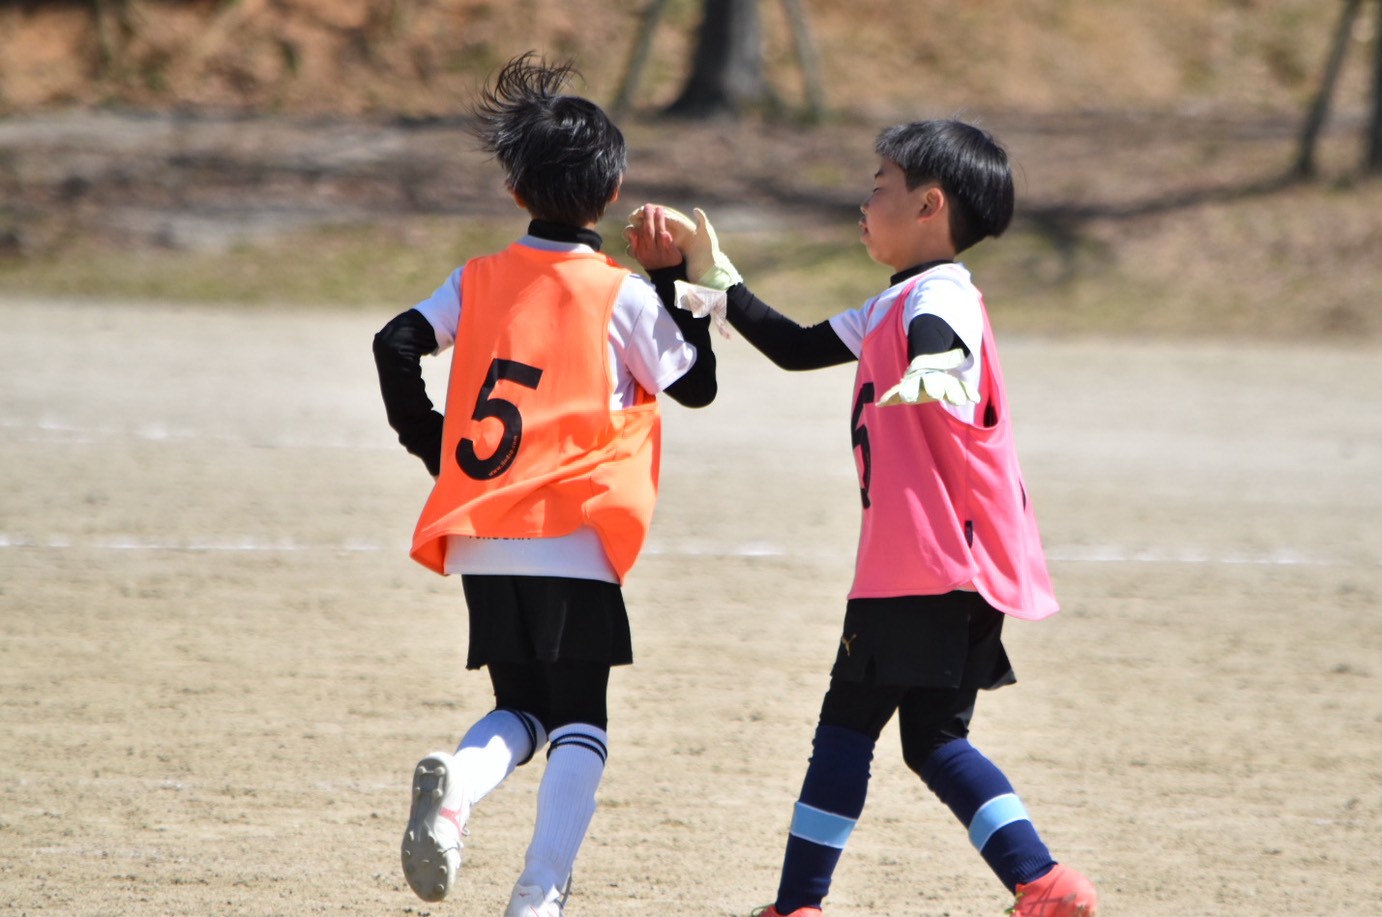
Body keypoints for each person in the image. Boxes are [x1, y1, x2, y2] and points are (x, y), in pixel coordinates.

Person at [629, 119, 1098, 917]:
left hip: (918, 565)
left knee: (845, 729)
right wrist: (709, 276)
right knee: (933, 740)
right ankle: (1043, 882)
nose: (866, 199)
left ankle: (797, 904)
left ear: (929, 205)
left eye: (881, 184)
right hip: (954, 567)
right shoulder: (894, 301)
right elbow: (793, 346)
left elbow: (940, 335)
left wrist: (937, 362)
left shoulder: (937, 297)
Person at [372, 52, 716, 917]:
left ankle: (457, 788)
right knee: (581, 722)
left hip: (485, 531)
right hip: (572, 530)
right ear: (612, 190)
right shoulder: (619, 293)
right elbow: (697, 382)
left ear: (514, 189)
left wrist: (434, 445)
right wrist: (675, 278)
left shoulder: (476, 278)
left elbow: (394, 342)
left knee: (520, 706)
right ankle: (539, 891)